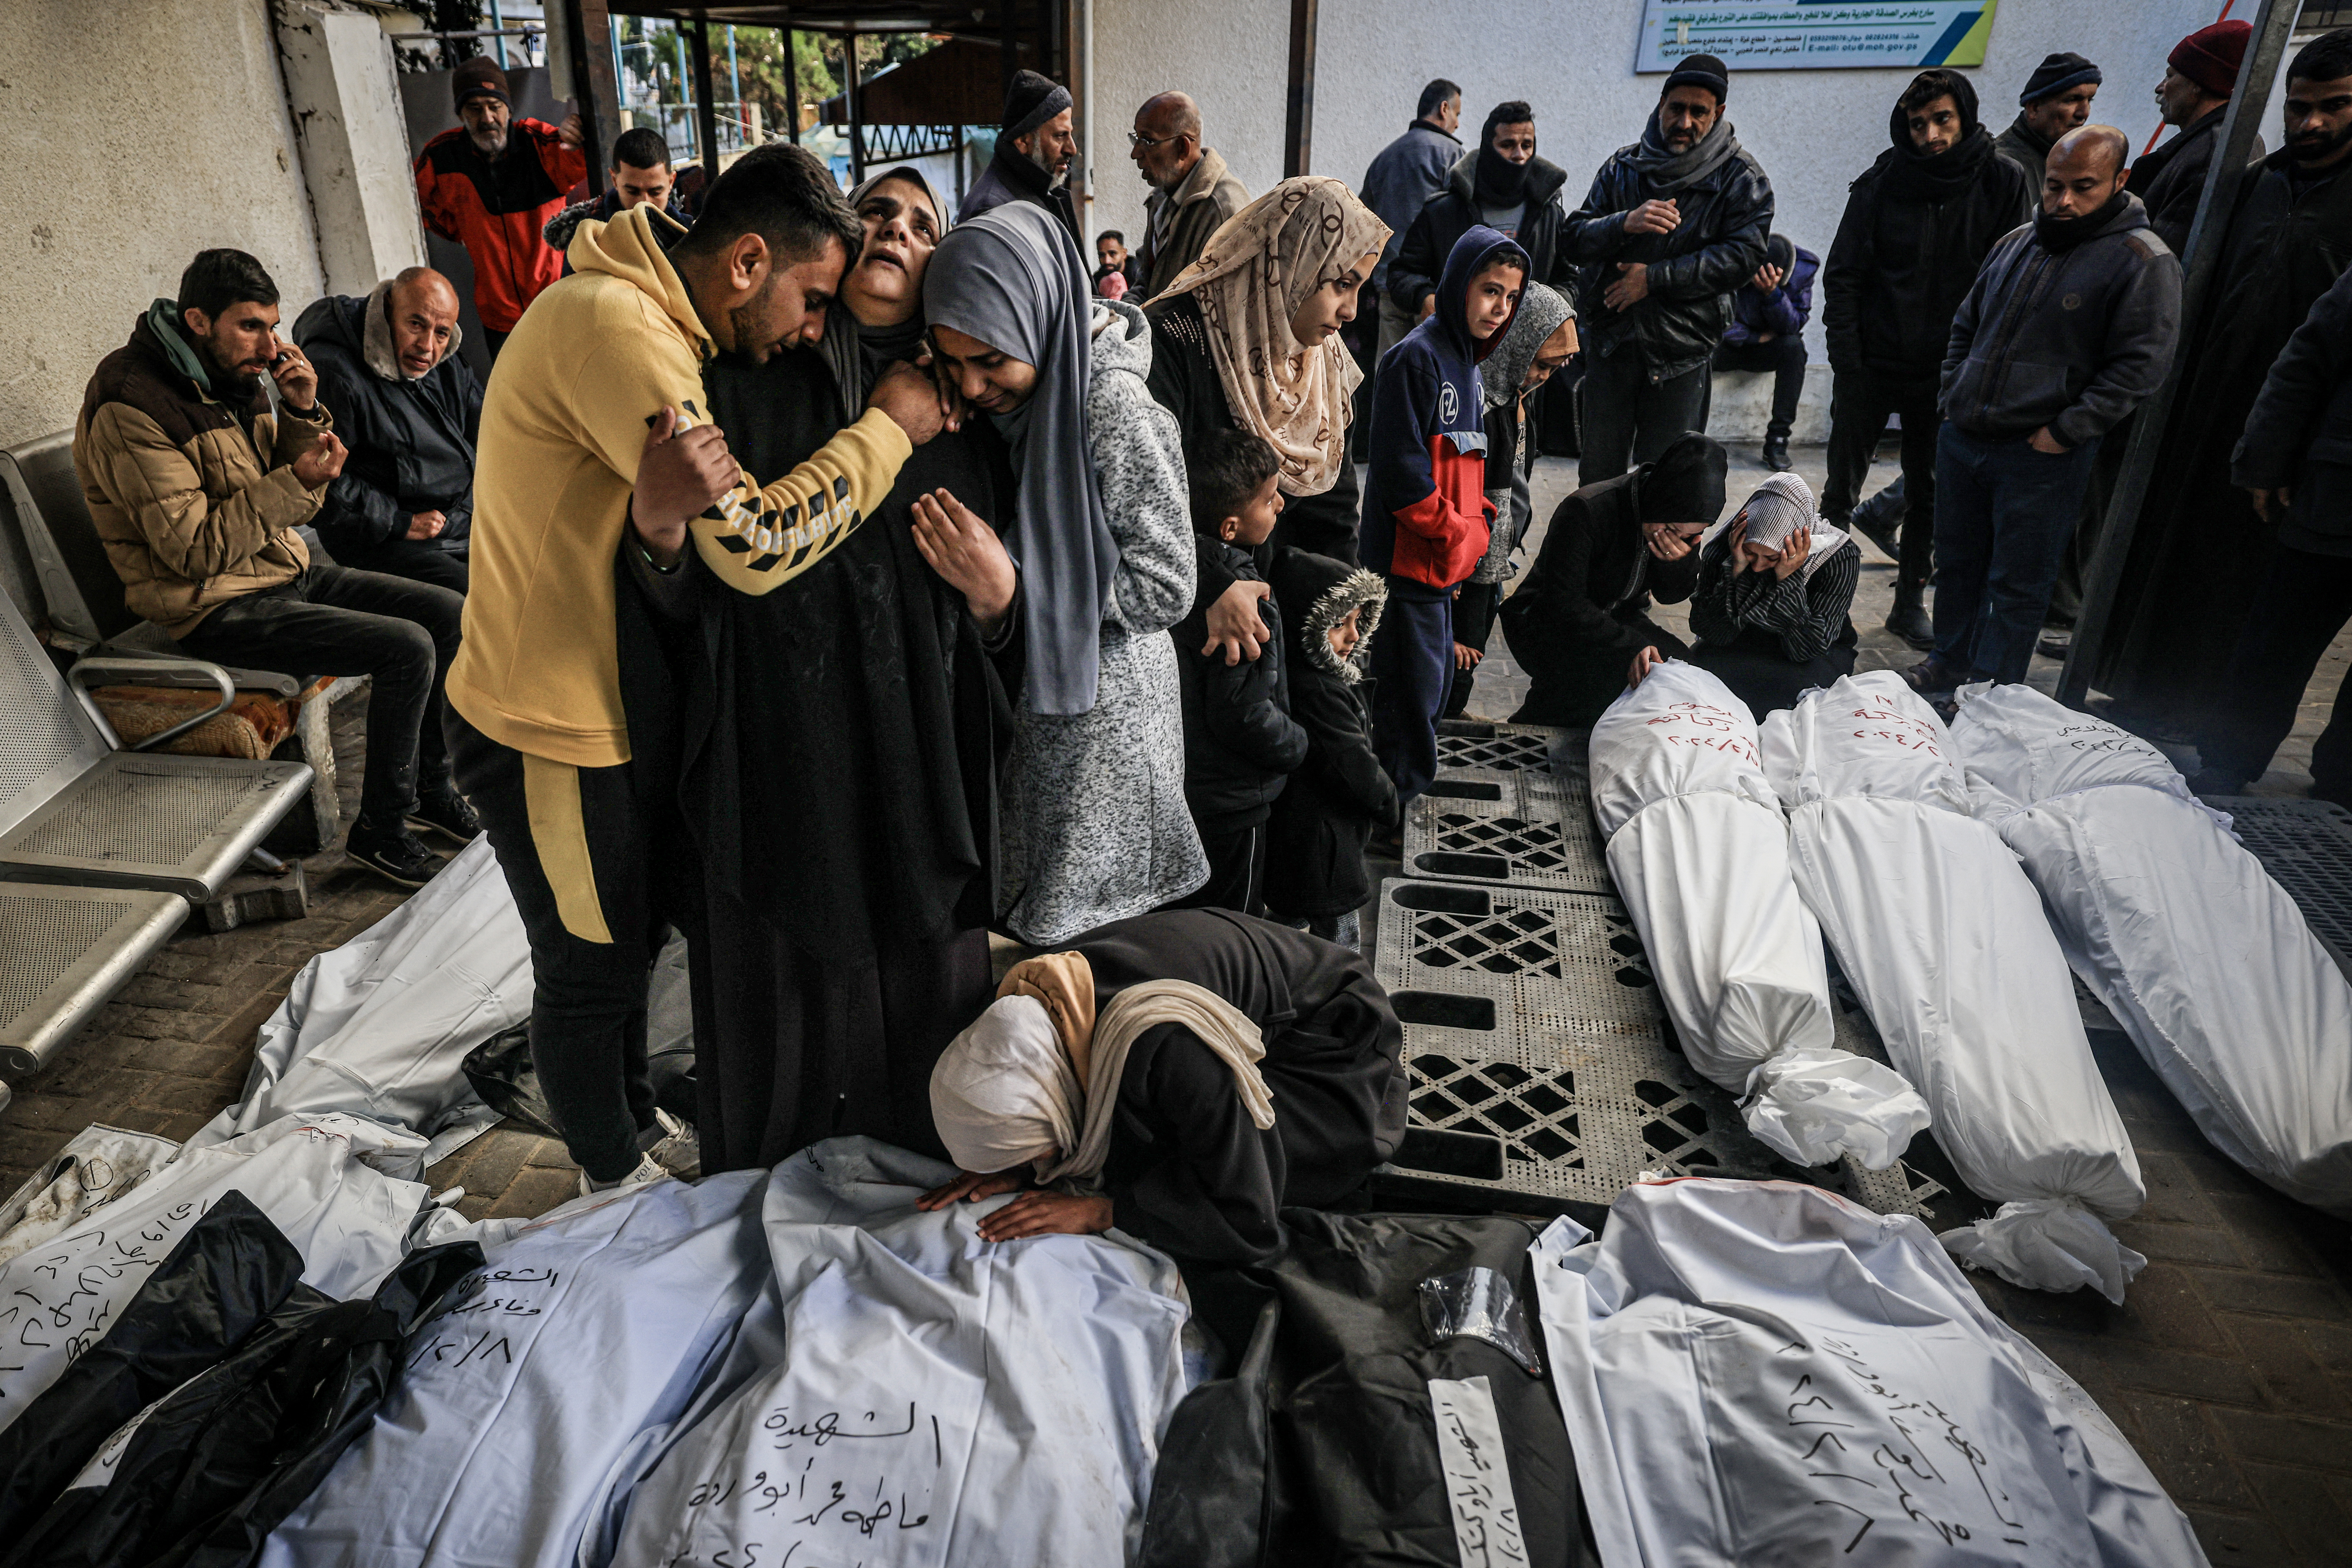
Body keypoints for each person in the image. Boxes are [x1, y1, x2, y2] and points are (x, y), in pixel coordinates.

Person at [447, 144, 948, 1193]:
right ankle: (605, 1178)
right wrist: (886, 434)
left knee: (625, 951)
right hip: (546, 721)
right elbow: (753, 548)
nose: (812, 328)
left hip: (600, 702)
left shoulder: (652, 318)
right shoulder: (622, 332)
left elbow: (673, 541)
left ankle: (626, 1130)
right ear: (746, 262)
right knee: (586, 972)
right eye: (810, 300)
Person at [688, 163, 1014, 1174]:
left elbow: (1003, 618)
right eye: (875, 211)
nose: (894, 231)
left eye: (922, 226)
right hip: (778, 744)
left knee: (917, 1007)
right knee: (776, 1000)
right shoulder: (741, 382)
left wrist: (1000, 600)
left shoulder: (963, 414)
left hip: (912, 756)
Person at [72, 249, 471, 888]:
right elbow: (194, 551)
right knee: (406, 647)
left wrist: (301, 414)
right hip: (212, 606)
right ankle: (381, 833)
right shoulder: (131, 404)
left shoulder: (232, 374)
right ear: (199, 320)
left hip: (277, 573)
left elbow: (284, 488)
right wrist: (295, 478)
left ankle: (429, 789)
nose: (270, 343)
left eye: (273, 325)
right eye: (251, 326)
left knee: (449, 613)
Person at [924, 201, 1207, 944]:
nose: (974, 385)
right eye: (952, 361)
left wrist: (1025, 589)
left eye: (990, 360)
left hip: (1110, 734)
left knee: (1093, 950)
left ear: (1040, 321)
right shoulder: (1016, 410)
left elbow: (1167, 580)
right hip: (1053, 721)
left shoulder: (1105, 402)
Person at [2100, 29, 2352, 729]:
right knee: (2176, 570)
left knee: (2257, 604)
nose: (2312, 124)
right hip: (2206, 416)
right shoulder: (2255, 188)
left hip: (2300, 449)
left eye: (2334, 106)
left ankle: (2220, 741)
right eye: (2299, 106)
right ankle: (2144, 704)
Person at [918, 908, 1406, 1267]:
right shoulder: (1033, 1003)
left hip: (1338, 1050)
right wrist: (1018, 1165)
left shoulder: (1167, 1046)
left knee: (1197, 1175)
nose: (1039, 1161)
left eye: (1036, 1146)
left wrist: (1105, 1212)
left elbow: (1246, 1218)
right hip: (1247, 1010)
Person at [1907, 125, 2181, 695]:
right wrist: (1952, 396)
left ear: (2119, 181)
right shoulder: (2015, 243)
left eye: (2082, 187)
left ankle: (1991, 689)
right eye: (2054, 185)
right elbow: (1965, 325)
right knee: (1956, 564)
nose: (2062, 201)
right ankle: (1948, 660)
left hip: (2040, 454)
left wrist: (2064, 430)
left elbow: (2140, 366)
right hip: (1965, 437)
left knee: (2017, 583)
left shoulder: (2141, 261)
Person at [1821, 68, 2035, 649]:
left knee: (1928, 491)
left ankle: (1908, 601)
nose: (1930, 136)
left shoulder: (2001, 181)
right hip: (1871, 361)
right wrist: (1847, 361)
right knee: (1839, 490)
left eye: (1941, 120)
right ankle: (1821, 597)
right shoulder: (1880, 183)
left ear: (1963, 116)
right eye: (1917, 124)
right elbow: (1842, 276)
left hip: (1947, 371)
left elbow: (2010, 280)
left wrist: (1977, 368)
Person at [1147, 175, 1389, 573]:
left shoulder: (1324, 364)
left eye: (1359, 288)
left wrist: (1339, 608)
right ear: (1292, 263)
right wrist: (1219, 586)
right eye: (1342, 284)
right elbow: (1150, 502)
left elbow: (1335, 519)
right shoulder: (1174, 340)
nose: (1351, 310)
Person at [1363, 226, 1524, 810]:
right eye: (1488, 291)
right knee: (1407, 698)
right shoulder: (1415, 360)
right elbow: (1401, 474)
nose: (1498, 308)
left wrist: (1475, 527)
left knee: (1427, 696)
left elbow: (1469, 473)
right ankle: (1390, 809)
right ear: (1457, 286)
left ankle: (1403, 795)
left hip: (1441, 570)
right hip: (1407, 571)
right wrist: (1458, 533)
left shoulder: (1469, 365)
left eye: (1509, 297)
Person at [1564, 52, 1774, 485]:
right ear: (1661, 105)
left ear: (1718, 114)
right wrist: (1624, 222)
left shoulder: (1741, 179)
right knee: (1598, 482)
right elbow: (1573, 239)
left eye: (1699, 112)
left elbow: (1743, 258)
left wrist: (1653, 279)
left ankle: (1651, 557)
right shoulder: (1622, 168)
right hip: (1611, 344)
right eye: (1676, 108)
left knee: (1666, 486)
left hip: (1682, 354)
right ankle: (1600, 556)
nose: (1685, 122)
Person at [2190, 261, 2352, 804]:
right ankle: (2225, 763)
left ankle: (2341, 784)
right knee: (2274, 645)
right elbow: (2303, 364)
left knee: (2274, 644)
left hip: (2334, 492)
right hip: (2335, 501)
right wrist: (2264, 460)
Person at [1496, 432, 1727, 728]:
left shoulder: (1679, 528)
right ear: (1656, 500)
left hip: (1617, 615)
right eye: (1671, 529)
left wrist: (1677, 563)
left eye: (1690, 536)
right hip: (1545, 618)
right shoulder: (1587, 509)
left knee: (1681, 669)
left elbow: (1671, 596)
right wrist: (1629, 646)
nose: (1675, 539)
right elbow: (1563, 601)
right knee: (1610, 678)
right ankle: (1526, 730)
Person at [1173, 428, 1307, 914]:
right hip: (1234, 797)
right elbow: (1242, 711)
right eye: (1270, 499)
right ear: (1230, 527)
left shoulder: (1175, 579)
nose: (1280, 507)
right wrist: (1295, 743)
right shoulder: (1245, 602)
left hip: (1187, 786)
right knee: (1232, 919)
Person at [294, 266, 479, 594]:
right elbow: (320, 483)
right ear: (388, 311)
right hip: (387, 535)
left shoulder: (444, 359)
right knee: (477, 599)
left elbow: (490, 429)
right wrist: (399, 522)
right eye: (416, 324)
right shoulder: (335, 371)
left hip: (459, 520)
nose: (427, 346)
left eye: (441, 332)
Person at [1449, 281, 1577, 719]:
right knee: (1459, 643)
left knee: (1475, 639)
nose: (1544, 376)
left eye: (1555, 367)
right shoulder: (1477, 405)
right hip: (1464, 562)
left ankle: (1451, 709)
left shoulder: (1516, 397)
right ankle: (1439, 719)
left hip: (1494, 555)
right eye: (1541, 364)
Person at [413, 56, 588, 359]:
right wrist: (461, 229)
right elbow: (419, 201)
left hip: (556, 303)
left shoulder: (539, 144)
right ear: (460, 114)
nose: (487, 118)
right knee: (517, 401)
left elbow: (580, 160)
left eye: (495, 106)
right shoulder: (442, 157)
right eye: (475, 108)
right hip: (498, 318)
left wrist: (577, 134)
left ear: (509, 108)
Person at [1648, 471, 1859, 721]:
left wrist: (1788, 580)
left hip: (1812, 649)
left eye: (1771, 558)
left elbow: (1806, 649)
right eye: (1751, 554)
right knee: (1694, 697)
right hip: (1740, 642)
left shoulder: (1839, 556)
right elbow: (1711, 631)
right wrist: (1735, 570)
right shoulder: (1726, 547)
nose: (1758, 567)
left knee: (1786, 710)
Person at [1265, 549, 1393, 950]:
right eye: (1339, 625)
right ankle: (1338, 1000)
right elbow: (1352, 762)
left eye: (1357, 622)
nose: (1353, 636)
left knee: (1291, 919)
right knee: (1341, 942)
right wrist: (1388, 801)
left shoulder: (1318, 678)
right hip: (1326, 845)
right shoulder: (1319, 689)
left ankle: (1287, 980)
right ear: (1309, 628)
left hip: (1309, 840)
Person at [1388, 101, 1571, 332]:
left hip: (1525, 350)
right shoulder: (1444, 211)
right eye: (1507, 145)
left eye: (1527, 145)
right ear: (1488, 148)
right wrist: (1425, 297)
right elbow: (1401, 274)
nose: (1519, 155)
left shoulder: (1549, 213)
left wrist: (1556, 314)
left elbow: (1567, 280)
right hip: (1456, 344)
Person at [2132, 22, 2259, 253]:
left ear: (2197, 84)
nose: (2160, 88)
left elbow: (2162, 259)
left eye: (2170, 76)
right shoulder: (2228, 139)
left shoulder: (2209, 152)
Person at [1361, 79, 1463, 363]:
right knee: (1431, 373)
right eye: (1457, 114)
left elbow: (1363, 220)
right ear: (1444, 109)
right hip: (1431, 291)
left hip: (1387, 288)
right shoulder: (1452, 155)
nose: (1456, 124)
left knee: (1391, 371)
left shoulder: (1384, 158)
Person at [1132, 91, 1251, 297]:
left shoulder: (1222, 209)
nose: (1135, 153)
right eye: (1136, 139)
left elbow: (1214, 308)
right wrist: (1125, 314)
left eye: (1147, 141)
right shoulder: (1161, 198)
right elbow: (1147, 283)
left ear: (1182, 148)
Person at [1713, 233, 1814, 472]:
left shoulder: (1803, 270)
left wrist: (1773, 295)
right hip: (1725, 346)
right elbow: (1713, 316)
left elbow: (1793, 325)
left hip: (1768, 350)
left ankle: (1777, 442)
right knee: (1693, 348)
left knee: (1794, 349)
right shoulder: (1731, 258)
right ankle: (1682, 438)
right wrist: (1752, 337)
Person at [957, 68, 1079, 242]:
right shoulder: (992, 211)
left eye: (1070, 134)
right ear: (1023, 142)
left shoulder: (1035, 193)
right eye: (1060, 136)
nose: (1072, 149)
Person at [542, 125, 694, 261]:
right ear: (614, 180)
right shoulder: (584, 237)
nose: (644, 203)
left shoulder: (690, 235)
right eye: (633, 192)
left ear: (671, 181)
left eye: (655, 192)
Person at [1995, 52, 2102, 189]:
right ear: (2035, 108)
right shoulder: (2003, 168)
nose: (2084, 113)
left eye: (2090, 100)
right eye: (2072, 100)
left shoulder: (2071, 159)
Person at [1095, 229, 1143, 297]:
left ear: (1124, 254)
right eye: (1102, 255)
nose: (1107, 261)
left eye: (1113, 254)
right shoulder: (1097, 279)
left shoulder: (1140, 275)